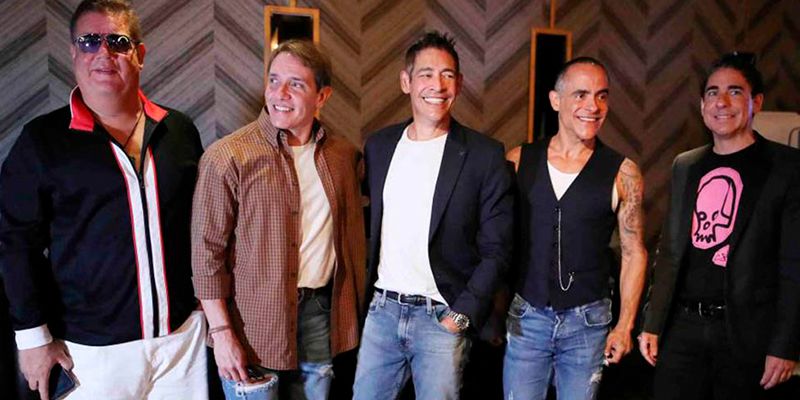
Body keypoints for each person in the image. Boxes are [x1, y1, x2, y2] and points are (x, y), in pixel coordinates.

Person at [0, 0, 207, 398]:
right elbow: (15, 243)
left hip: (182, 341)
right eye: (90, 41)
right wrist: (33, 339)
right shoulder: (42, 141)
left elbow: (199, 227)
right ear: (74, 53)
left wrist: (208, 305)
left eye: (118, 42)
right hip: (91, 351)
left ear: (139, 54)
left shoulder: (179, 130)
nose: (103, 53)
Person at [191, 39, 366, 400]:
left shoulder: (344, 157)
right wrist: (221, 333)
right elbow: (206, 256)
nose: (279, 94)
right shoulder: (227, 157)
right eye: (273, 80)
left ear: (322, 96)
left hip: (320, 317)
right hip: (250, 326)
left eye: (295, 84)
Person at [352, 31, 514, 400]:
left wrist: (462, 314)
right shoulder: (379, 146)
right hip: (382, 313)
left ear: (459, 83)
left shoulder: (484, 155)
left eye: (447, 75)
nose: (437, 86)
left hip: (441, 316)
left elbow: (498, 249)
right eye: (426, 74)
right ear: (406, 82)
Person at [640, 52, 800, 400]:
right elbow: (670, 252)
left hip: (746, 335)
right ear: (702, 105)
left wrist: (785, 344)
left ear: (757, 102)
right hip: (682, 329)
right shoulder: (685, 165)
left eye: (735, 91)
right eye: (712, 92)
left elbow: (794, 265)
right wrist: (653, 322)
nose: (722, 102)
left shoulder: (787, 167)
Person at [503, 57, 648, 400]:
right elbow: (499, 242)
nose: (593, 106)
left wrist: (625, 325)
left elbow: (634, 253)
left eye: (601, 96)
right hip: (527, 317)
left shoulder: (623, 172)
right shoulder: (518, 160)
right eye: (581, 95)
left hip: (588, 321)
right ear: (556, 100)